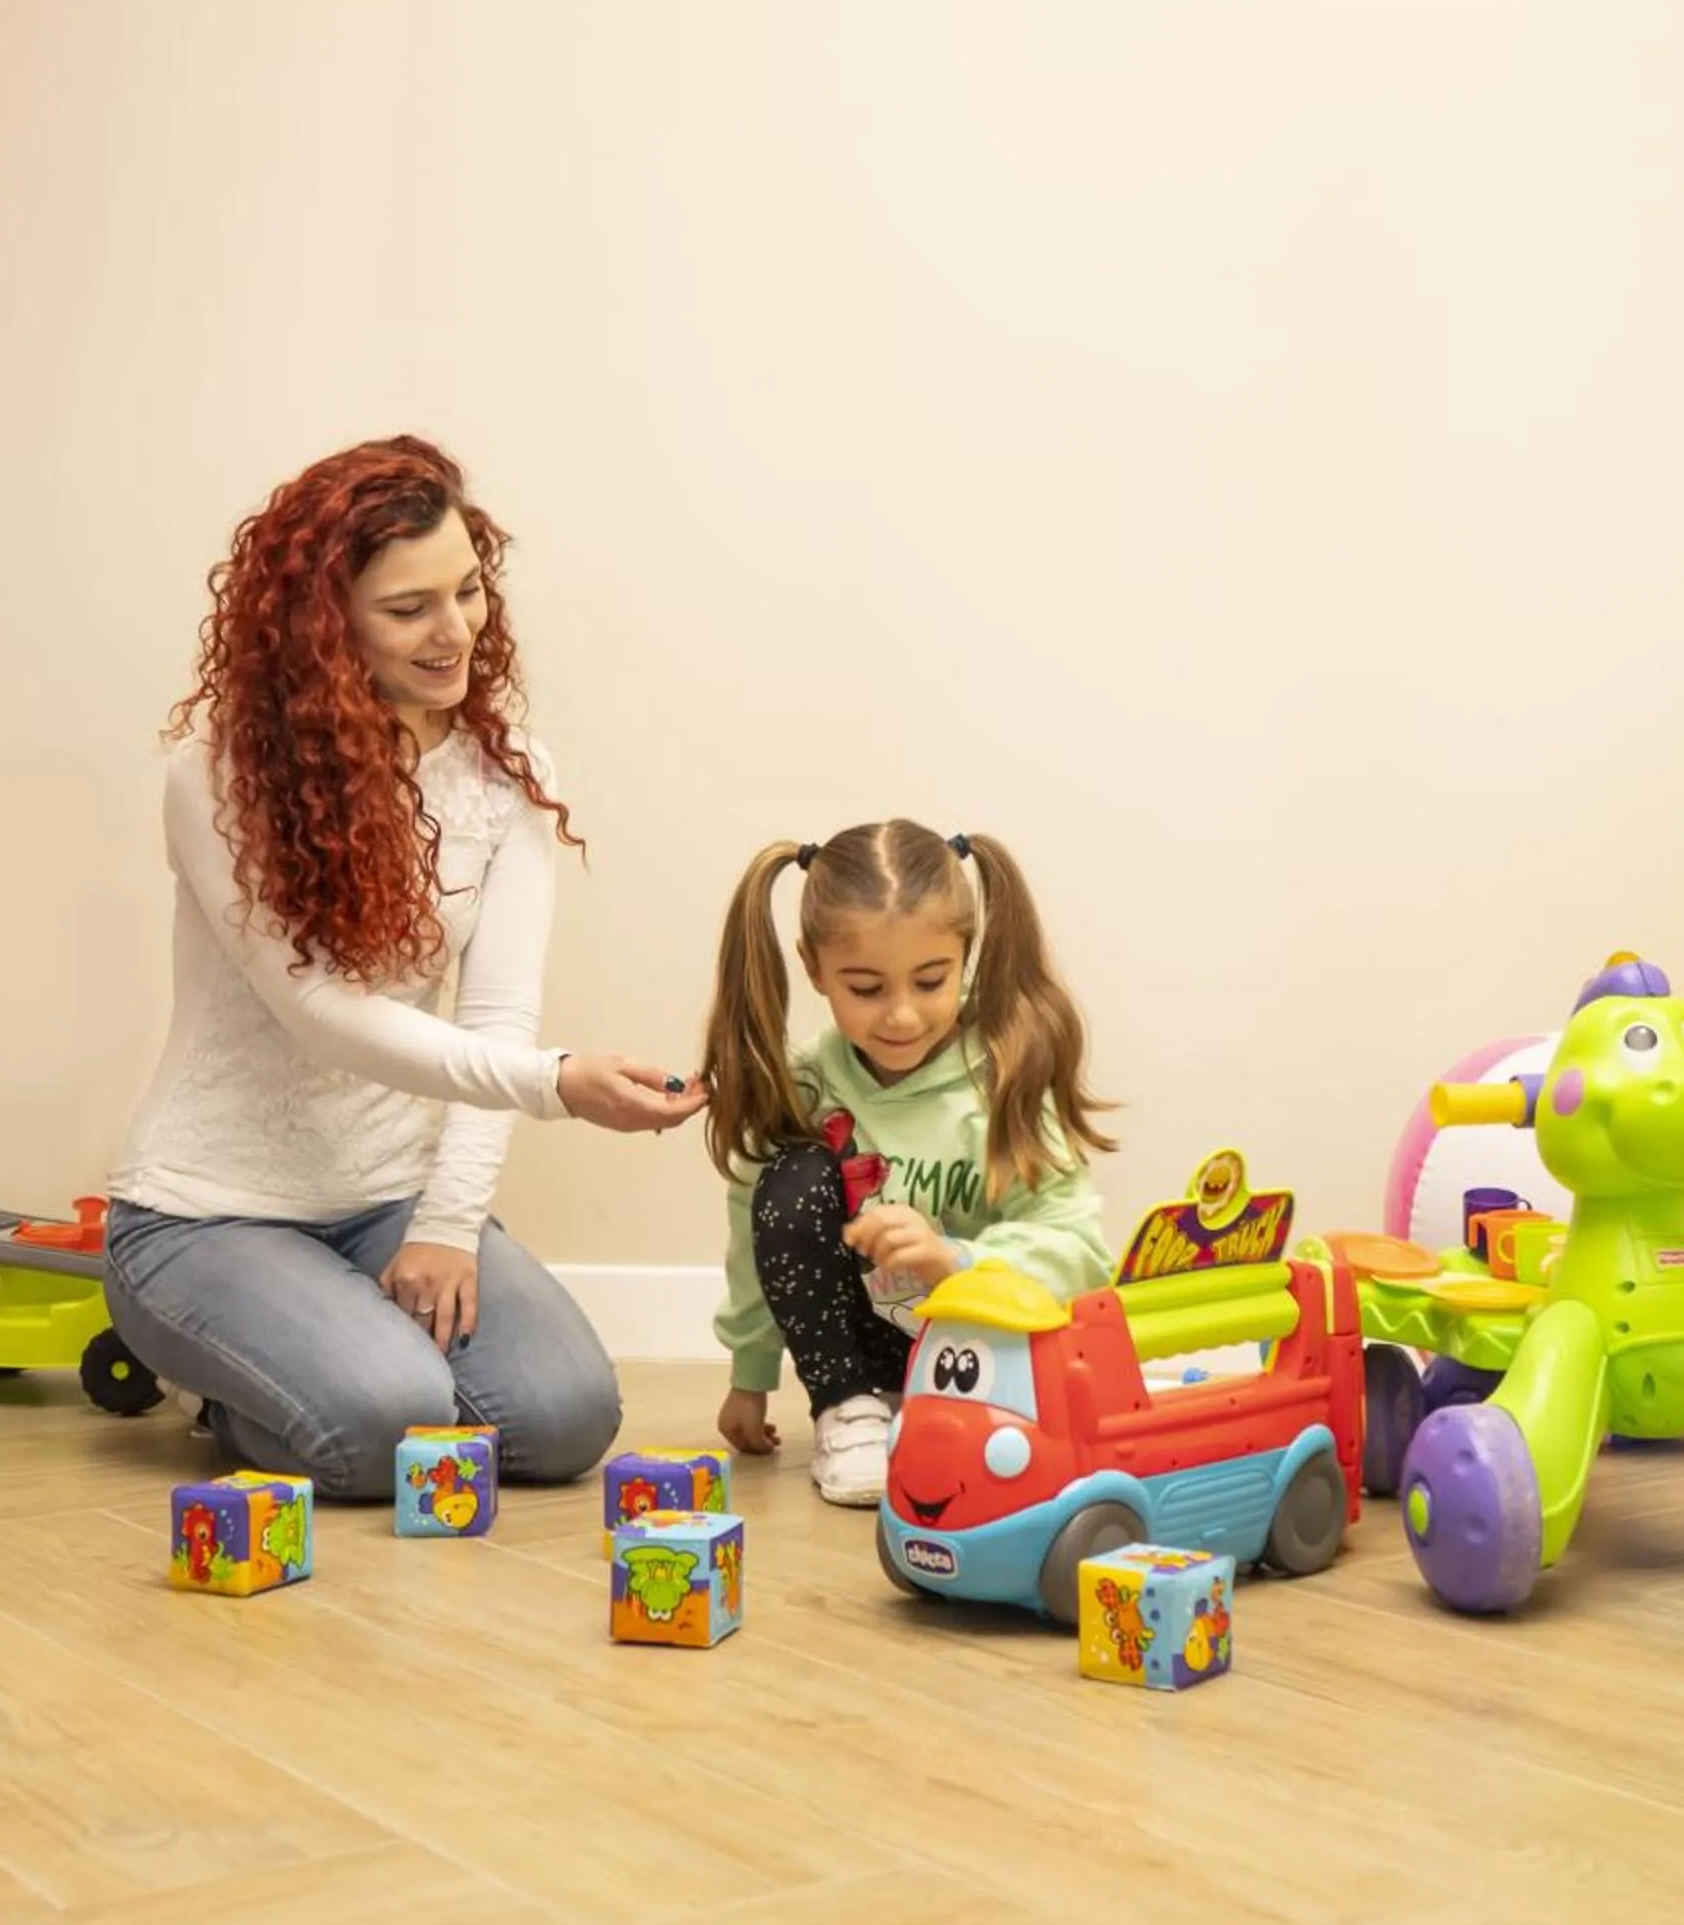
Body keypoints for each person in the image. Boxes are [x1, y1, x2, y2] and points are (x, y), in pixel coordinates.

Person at [103, 436, 703, 1501]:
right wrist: (559, 1083)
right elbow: (321, 1017)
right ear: (324, 629)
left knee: (565, 1419)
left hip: (387, 1196)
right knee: (392, 1419)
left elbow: (499, 1010)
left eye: (469, 589)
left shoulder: (506, 767)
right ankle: (231, 1384)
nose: (457, 629)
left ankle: (331, 1348)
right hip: (207, 1211)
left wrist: (443, 1225)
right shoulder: (218, 775)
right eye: (410, 606)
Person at [698, 819, 1117, 1506]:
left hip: (992, 1354)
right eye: (865, 988)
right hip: (866, 1356)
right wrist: (751, 1374)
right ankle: (850, 1409)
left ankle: (944, 1408)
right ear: (814, 968)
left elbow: (1081, 1252)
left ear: (965, 955)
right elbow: (755, 1236)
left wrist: (953, 1258)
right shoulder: (804, 1088)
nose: (901, 1016)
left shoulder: (1006, 1076)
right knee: (790, 1179)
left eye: (930, 981)